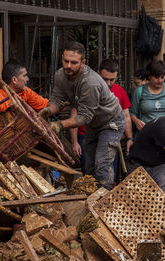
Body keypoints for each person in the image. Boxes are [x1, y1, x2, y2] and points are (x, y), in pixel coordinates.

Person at [40, 42, 124, 190]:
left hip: (111, 121)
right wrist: (47, 111)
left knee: (102, 163)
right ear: (62, 58)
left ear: (83, 62)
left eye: (74, 62)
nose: (68, 66)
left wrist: (59, 125)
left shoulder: (90, 82)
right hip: (94, 122)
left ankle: (105, 200)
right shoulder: (61, 75)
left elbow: (84, 117)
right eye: (66, 61)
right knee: (89, 165)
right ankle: (90, 197)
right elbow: (57, 100)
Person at [69, 58, 134, 172]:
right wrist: (74, 142)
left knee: (106, 172)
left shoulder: (120, 91)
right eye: (105, 79)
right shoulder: (86, 88)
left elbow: (126, 116)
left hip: (109, 136)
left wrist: (129, 137)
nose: (108, 83)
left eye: (112, 80)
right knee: (89, 172)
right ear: (98, 73)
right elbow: (75, 115)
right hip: (86, 135)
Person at [0, 61, 48, 143]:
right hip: (4, 141)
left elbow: (44, 105)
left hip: (23, 139)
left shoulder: (25, 92)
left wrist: (59, 103)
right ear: (14, 80)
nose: (27, 79)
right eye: (24, 76)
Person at [129, 59, 165, 131]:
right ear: (149, 76)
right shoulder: (139, 91)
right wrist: (137, 121)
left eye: (162, 77)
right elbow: (132, 113)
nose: (160, 81)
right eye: (156, 77)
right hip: (147, 133)